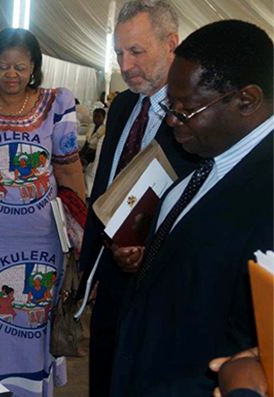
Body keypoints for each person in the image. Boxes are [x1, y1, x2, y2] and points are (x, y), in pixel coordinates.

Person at [109, 19, 273, 396]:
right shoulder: (212, 162)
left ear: (246, 100)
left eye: (186, 110)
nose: (171, 120)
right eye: (171, 104)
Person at [0, 28, 86, 397]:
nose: (12, 74)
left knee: (32, 319)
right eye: (4, 65)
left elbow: (69, 169)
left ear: (34, 67)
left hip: (45, 239)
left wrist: (80, 234)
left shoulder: (57, 103)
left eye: (20, 66)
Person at [76, 2, 200, 395]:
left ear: (171, 44)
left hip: (162, 279)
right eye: (118, 53)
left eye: (136, 51)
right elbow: (106, 185)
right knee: (105, 371)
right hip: (109, 272)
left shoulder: (198, 114)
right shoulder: (124, 105)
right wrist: (89, 266)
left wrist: (154, 247)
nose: (125, 65)